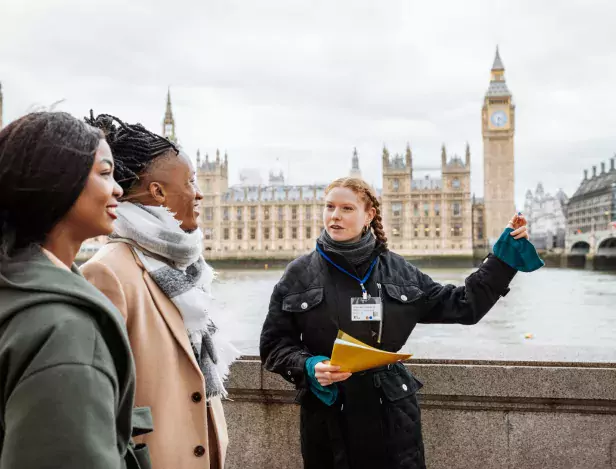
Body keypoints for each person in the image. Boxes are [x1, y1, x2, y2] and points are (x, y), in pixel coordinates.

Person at [260, 177, 533, 469]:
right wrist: (310, 366)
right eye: (329, 207)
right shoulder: (298, 274)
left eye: (347, 208)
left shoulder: (399, 270)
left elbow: (463, 305)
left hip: (391, 414)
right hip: (328, 415)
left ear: (369, 215)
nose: (335, 215)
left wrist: (502, 260)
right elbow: (274, 346)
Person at [81, 113, 239, 469]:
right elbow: (95, 405)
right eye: (191, 181)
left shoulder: (187, 269)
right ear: (157, 191)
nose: (199, 193)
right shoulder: (107, 271)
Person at [0, 111, 151, 469]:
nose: (117, 188)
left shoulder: (14, 288)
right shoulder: (66, 330)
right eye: (104, 173)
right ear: (58, 182)